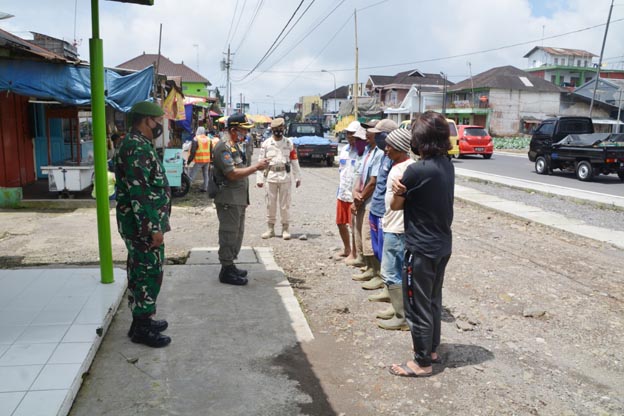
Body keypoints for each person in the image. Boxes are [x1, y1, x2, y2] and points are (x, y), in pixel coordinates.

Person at [388, 111, 454, 377]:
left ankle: (421, 362)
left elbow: (395, 206)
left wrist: (397, 190)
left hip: (420, 248)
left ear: (419, 141)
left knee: (416, 305)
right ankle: (432, 350)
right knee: (434, 299)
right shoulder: (447, 164)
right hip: (442, 244)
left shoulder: (416, 171)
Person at [114, 101, 171, 348]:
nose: (160, 126)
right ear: (147, 120)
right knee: (148, 272)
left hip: (142, 222)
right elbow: (141, 192)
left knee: (142, 270)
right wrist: (152, 229)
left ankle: (141, 321)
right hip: (142, 225)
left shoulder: (140, 144)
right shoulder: (135, 147)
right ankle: (142, 328)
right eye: (158, 121)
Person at [212, 114, 269, 285]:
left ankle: (230, 265)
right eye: (242, 130)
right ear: (232, 130)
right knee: (229, 233)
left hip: (237, 198)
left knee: (237, 233)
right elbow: (232, 173)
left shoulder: (234, 146)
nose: (245, 133)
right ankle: (226, 269)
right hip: (229, 199)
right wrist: (256, 167)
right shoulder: (223, 148)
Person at [375, 128, 414, 330]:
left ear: (399, 147)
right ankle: (396, 306)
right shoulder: (398, 165)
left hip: (398, 228)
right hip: (392, 223)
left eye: (390, 146)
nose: (386, 149)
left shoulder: (404, 169)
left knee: (391, 271)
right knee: (396, 271)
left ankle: (402, 317)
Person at [357, 119, 399, 291]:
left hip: (385, 211)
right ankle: (377, 275)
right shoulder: (381, 154)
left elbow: (379, 184)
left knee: (385, 251)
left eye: (378, 133)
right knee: (375, 246)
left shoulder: (391, 157)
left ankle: (385, 284)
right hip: (376, 207)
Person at [350, 120, 385, 282]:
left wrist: (361, 197)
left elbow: (373, 181)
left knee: (369, 235)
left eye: (369, 130)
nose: (365, 133)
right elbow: (360, 174)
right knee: (360, 232)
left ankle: (376, 271)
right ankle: (369, 267)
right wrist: (356, 192)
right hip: (362, 197)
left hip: (371, 200)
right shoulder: (367, 151)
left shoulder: (379, 152)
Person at [256, 117, 301, 240]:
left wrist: (298, 177)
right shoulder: (266, 144)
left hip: (285, 177)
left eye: (281, 128)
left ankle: (285, 229)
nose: (279, 131)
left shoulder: (289, 143)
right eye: (276, 129)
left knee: (285, 205)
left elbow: (294, 161)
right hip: (271, 177)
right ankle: (270, 229)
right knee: (270, 204)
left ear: (284, 128)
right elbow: (261, 162)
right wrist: (259, 179)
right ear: (272, 130)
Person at [334, 120, 360, 259]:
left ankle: (356, 253)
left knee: (354, 226)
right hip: (342, 193)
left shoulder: (361, 152)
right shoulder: (344, 150)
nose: (350, 136)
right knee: (340, 222)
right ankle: (347, 249)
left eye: (353, 134)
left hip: (354, 195)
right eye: (348, 133)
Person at [187, 126, 213, 193]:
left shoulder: (196, 139)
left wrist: (189, 161)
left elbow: (193, 151)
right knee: (205, 174)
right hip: (207, 160)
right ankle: (205, 188)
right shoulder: (208, 139)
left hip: (199, 160)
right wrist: (211, 159)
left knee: (192, 174)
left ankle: (186, 187)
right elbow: (210, 150)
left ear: (197, 131)